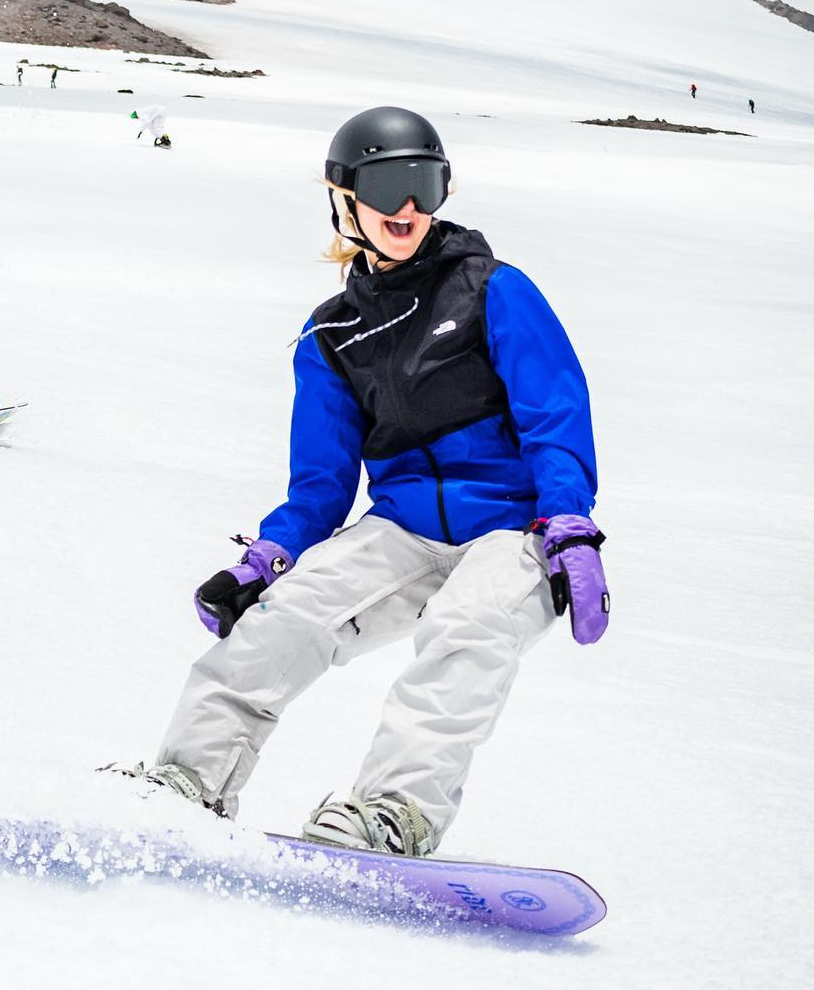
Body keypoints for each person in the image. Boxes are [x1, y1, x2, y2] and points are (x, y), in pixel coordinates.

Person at [136, 105, 608, 857]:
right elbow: (321, 486)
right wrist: (271, 559)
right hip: (404, 531)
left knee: (468, 631)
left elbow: (553, 410)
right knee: (282, 621)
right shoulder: (331, 335)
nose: (408, 208)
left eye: (425, 184)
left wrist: (567, 525)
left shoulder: (494, 290)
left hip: (513, 529)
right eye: (388, 187)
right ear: (345, 197)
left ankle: (395, 815)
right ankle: (188, 783)